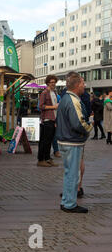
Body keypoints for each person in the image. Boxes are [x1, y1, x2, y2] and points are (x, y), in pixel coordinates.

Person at [56, 72, 92, 213]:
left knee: (69, 173)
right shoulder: (73, 101)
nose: (84, 86)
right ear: (77, 85)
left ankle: (67, 201)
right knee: (73, 174)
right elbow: (78, 123)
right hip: (72, 142)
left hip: (65, 140)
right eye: (83, 83)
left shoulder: (66, 98)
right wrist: (89, 127)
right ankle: (69, 204)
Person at [37, 75, 59, 167]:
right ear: (47, 83)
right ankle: (41, 159)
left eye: (54, 82)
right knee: (44, 141)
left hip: (53, 119)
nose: (53, 84)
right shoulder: (44, 93)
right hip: (46, 119)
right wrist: (53, 107)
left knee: (49, 140)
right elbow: (40, 106)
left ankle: (47, 158)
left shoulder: (53, 92)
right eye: (51, 82)